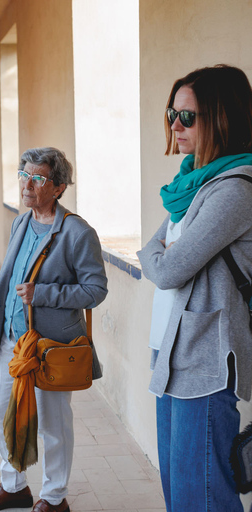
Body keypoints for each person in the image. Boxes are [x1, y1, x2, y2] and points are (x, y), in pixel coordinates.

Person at [137, 64, 252, 512]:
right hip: (173, 357)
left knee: (202, 497)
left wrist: (162, 257)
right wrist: (162, 256)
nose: (175, 126)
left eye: (188, 116)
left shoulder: (234, 189)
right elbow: (153, 248)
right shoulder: (193, 183)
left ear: (222, 118)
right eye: (172, 114)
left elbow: (166, 269)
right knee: (180, 494)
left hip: (205, 363)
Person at [0, 147, 108, 512]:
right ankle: (14, 486)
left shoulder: (77, 232)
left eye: (38, 178)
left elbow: (96, 290)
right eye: (24, 175)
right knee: (3, 413)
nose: (27, 184)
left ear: (59, 186)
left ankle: (53, 497)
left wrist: (43, 294)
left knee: (53, 424)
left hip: (51, 345)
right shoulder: (21, 222)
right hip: (13, 342)